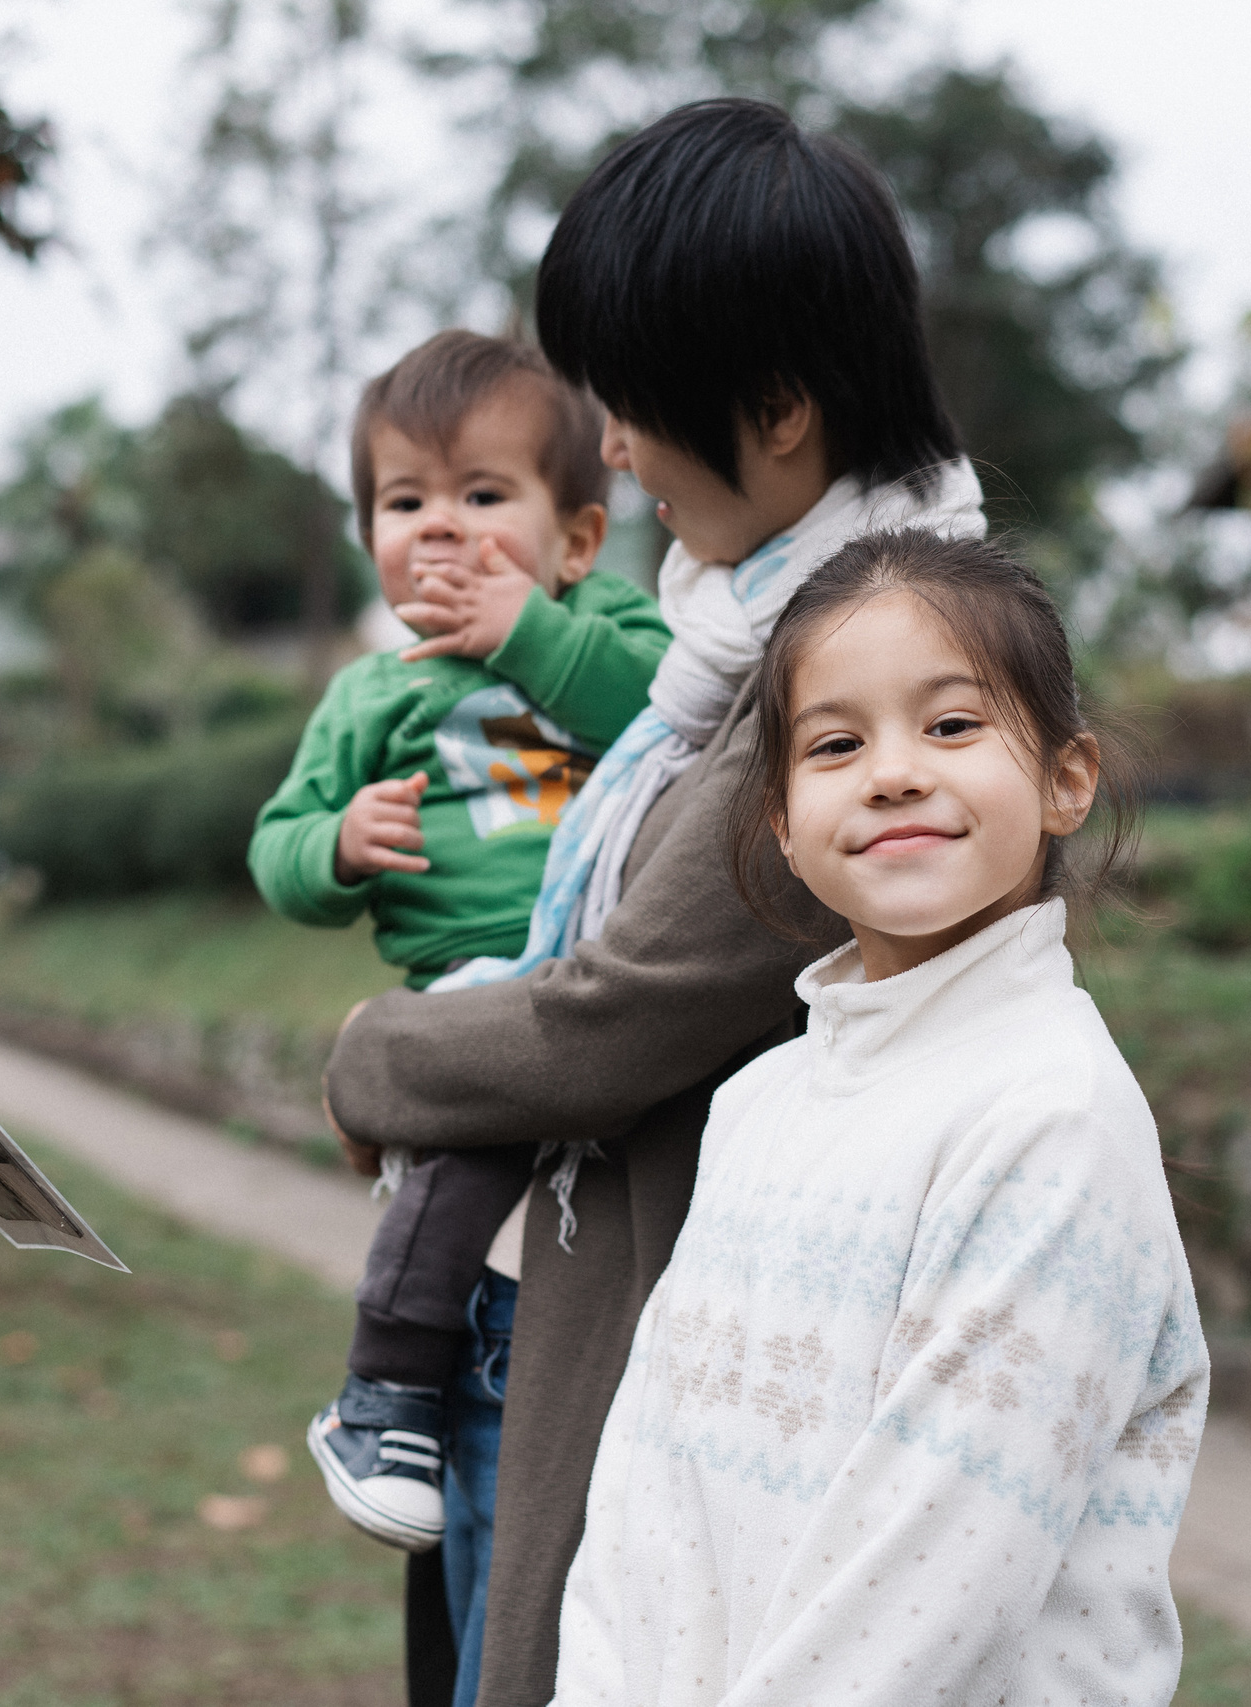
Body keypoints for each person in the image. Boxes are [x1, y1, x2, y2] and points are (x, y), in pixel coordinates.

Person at [319, 98, 987, 1707]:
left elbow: (613, 1022)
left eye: (631, 407)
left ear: (776, 410)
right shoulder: (740, 637)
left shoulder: (858, 684)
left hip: (680, 1347)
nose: (609, 446)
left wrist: (375, 1052)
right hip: (588, 1300)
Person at [551, 529, 1208, 1704]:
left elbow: (934, 1586)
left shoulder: (1051, 1120)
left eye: (951, 725)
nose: (892, 771)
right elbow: (644, 1494)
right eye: (837, 743)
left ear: (1067, 779)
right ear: (785, 825)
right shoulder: (756, 1103)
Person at [250, 331, 671, 1565]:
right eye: (404, 501)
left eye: (483, 496)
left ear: (577, 539)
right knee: (479, 1121)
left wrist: (523, 629)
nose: (440, 528)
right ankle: (384, 1389)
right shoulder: (368, 698)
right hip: (475, 980)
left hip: (608, 968)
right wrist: (337, 842)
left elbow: (652, 709)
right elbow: (275, 853)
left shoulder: (605, 628)